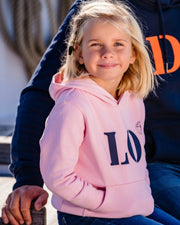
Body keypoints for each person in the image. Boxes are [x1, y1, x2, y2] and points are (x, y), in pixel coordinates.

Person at [1, 0, 180, 224]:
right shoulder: (100, 10)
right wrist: (28, 177)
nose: (108, 52)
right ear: (79, 53)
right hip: (148, 168)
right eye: (97, 45)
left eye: (118, 45)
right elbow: (39, 93)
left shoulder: (133, 101)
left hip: (136, 183)